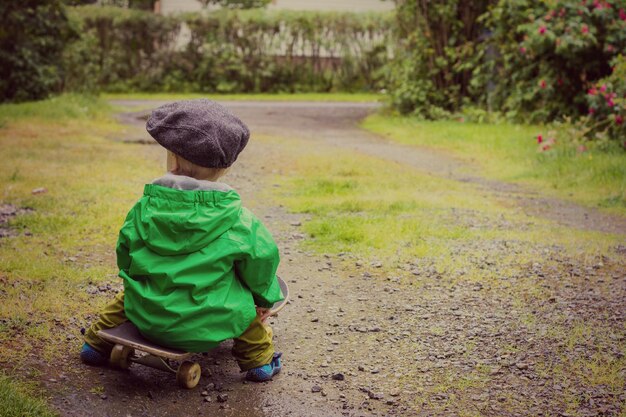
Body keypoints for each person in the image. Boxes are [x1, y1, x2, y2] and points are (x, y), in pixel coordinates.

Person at [80, 99, 284, 382]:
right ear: (224, 169)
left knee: (127, 296)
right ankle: (259, 364)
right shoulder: (240, 221)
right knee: (245, 311)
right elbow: (261, 265)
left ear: (172, 160)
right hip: (211, 322)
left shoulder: (143, 208)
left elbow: (125, 254)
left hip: (147, 316)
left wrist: (139, 278)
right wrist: (264, 299)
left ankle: (94, 345)